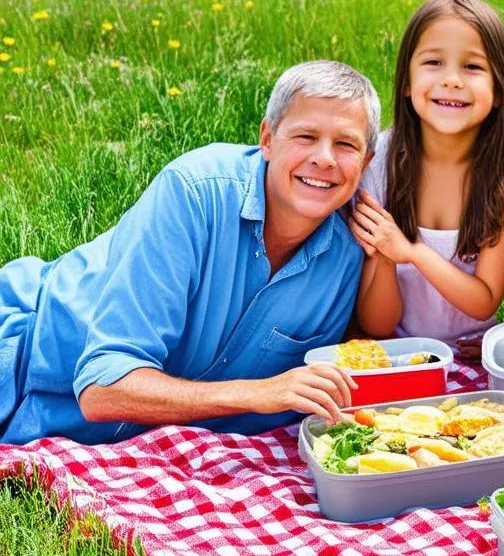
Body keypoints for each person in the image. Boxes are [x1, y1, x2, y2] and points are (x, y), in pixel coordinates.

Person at [0, 60, 379, 446]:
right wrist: (256, 393)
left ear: (365, 162)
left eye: (346, 144)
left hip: (132, 441)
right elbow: (104, 386)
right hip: (22, 365)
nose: (325, 158)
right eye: (306, 136)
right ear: (267, 139)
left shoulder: (347, 257)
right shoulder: (195, 192)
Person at [350, 0, 504, 347]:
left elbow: (483, 301)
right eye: (434, 62)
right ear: (406, 82)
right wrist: (386, 257)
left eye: (473, 67)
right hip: (394, 354)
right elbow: (377, 324)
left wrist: (411, 251)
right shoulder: (376, 165)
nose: (452, 80)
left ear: (498, 91)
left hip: (470, 353)